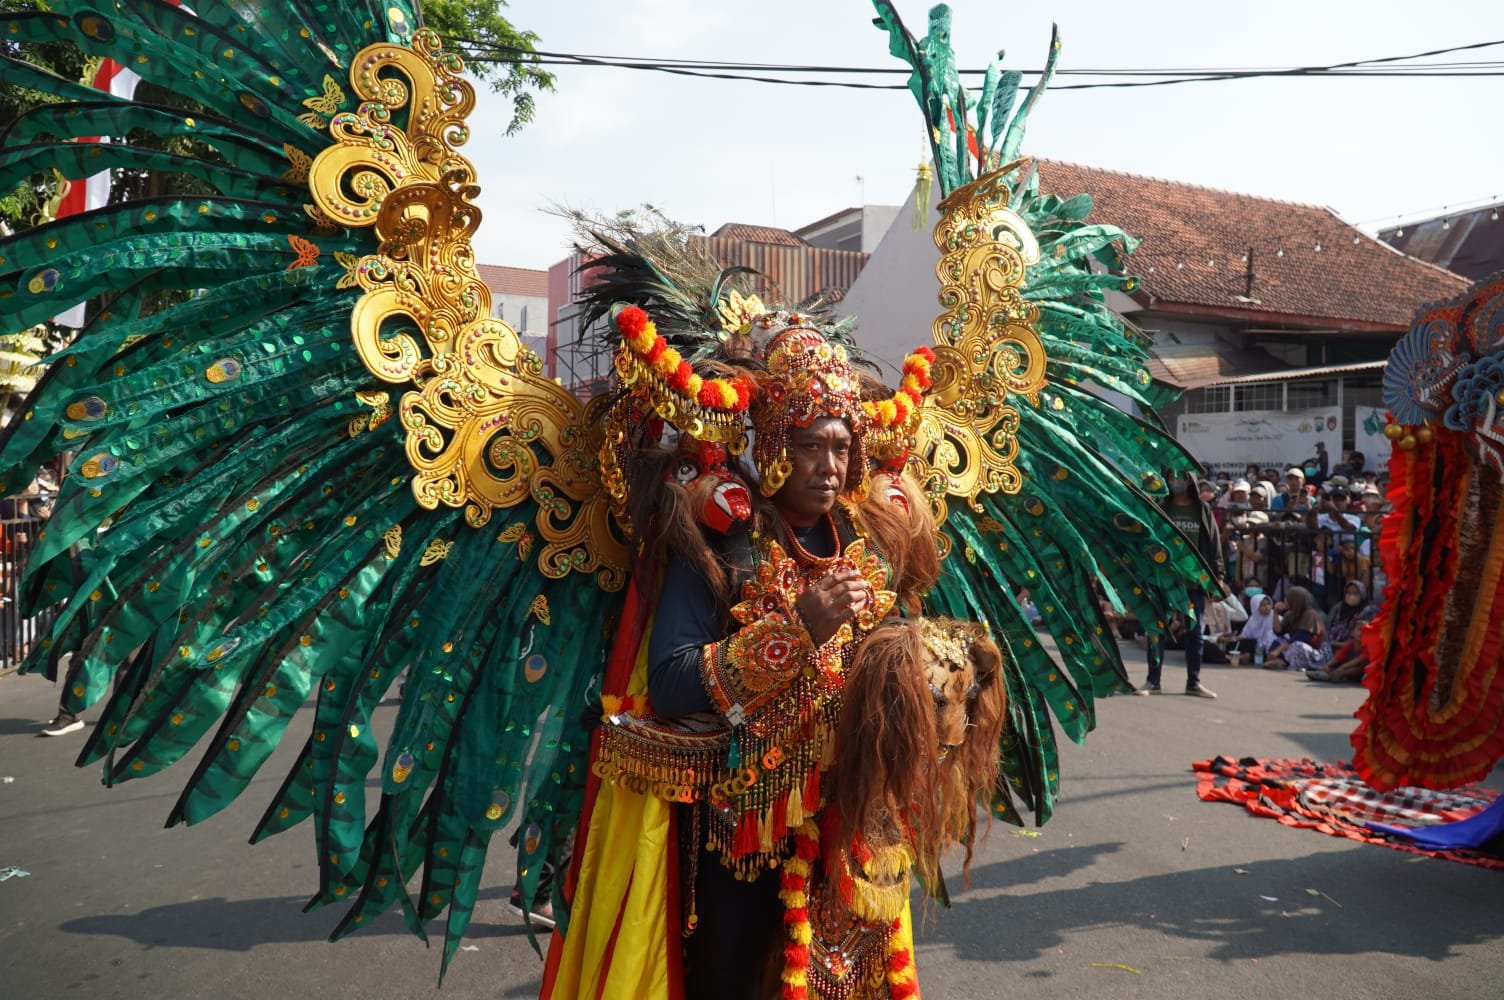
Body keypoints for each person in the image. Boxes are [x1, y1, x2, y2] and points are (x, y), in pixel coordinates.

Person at [1137, 471, 1225, 698]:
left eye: (1181, 477)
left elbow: (1214, 543)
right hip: (1163, 581)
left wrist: (1218, 576)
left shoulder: (1202, 510)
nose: (1176, 482)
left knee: (1195, 633)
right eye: (1172, 477)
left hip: (1193, 583)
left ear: (1190, 481)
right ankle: (1153, 682)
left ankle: (1193, 683)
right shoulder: (1161, 508)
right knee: (1157, 630)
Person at [1262, 586, 1325, 671]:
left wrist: (1278, 650)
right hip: (1293, 646)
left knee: (1296, 645)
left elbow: (1300, 637)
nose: (1285, 600)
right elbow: (1279, 632)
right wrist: (1275, 613)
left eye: (1287, 598)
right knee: (1274, 639)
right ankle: (1281, 661)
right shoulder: (1290, 614)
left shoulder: (1310, 614)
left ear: (1295, 601)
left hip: (1314, 651)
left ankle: (1284, 663)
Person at [1235, 593, 1278, 665]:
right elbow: (1245, 634)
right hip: (1256, 647)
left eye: (1268, 604)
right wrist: (1235, 638)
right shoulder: (1253, 619)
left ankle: (1247, 657)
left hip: (1270, 647)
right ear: (1255, 607)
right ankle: (1246, 657)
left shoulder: (1276, 617)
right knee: (1246, 643)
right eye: (1263, 605)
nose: (1267, 607)